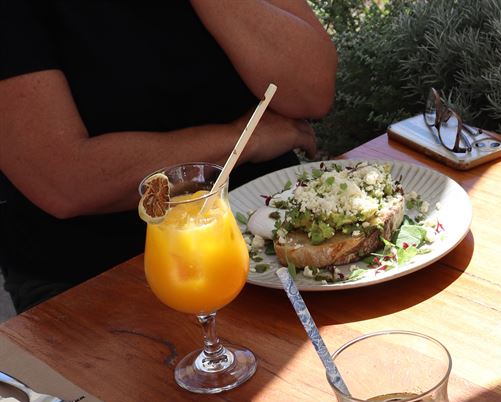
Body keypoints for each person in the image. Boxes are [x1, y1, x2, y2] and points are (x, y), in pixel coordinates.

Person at [0, 0, 337, 313]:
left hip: (277, 230)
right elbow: (63, 182)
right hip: (96, 274)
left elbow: (311, 92)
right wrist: (245, 138)